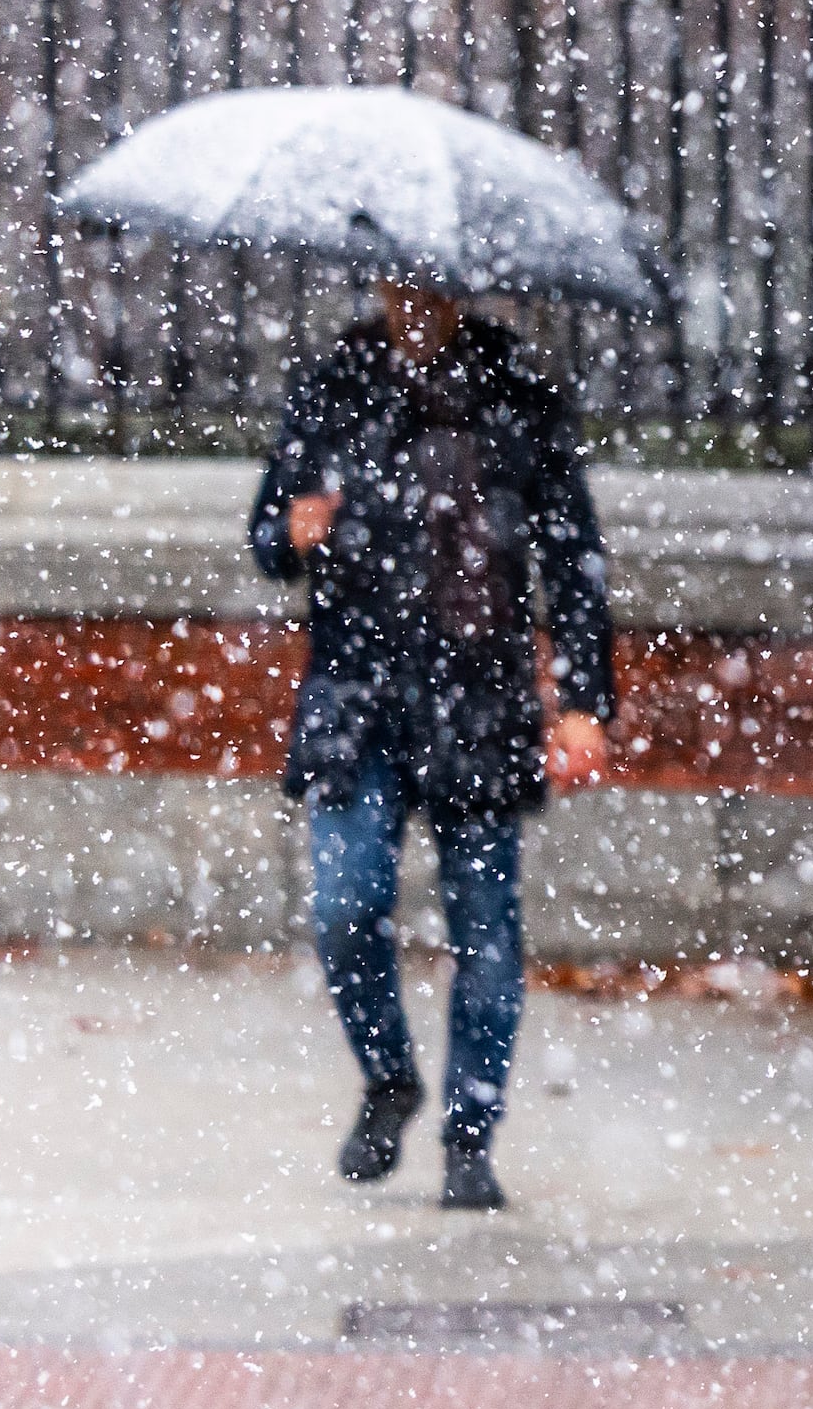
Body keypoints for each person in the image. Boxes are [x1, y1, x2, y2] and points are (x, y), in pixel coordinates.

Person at [250, 277, 613, 1212]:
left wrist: (583, 698)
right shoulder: (333, 385)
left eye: (432, 279)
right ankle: (389, 1074)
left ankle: (469, 1133)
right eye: (398, 276)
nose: (413, 294)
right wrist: (291, 533)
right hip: (357, 693)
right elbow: (265, 530)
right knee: (343, 905)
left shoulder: (516, 396)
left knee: (485, 929)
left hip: (478, 697)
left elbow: (572, 556)